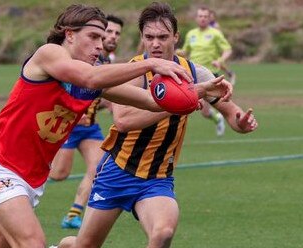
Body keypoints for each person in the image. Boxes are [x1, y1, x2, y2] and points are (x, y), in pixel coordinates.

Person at [0, 4, 230, 248]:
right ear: (70, 34)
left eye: (102, 38)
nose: (100, 45)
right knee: (31, 243)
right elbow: (89, 77)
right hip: (1, 167)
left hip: (32, 178)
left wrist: (198, 91)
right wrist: (151, 62)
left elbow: (151, 102)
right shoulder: (50, 54)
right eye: (93, 36)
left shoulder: (95, 75)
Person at [56, 2, 257, 248]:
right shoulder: (132, 71)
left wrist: (241, 122)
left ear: (176, 37)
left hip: (157, 177)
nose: (156, 44)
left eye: (162, 37)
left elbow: (231, 112)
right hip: (117, 172)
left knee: (162, 233)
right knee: (83, 246)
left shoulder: (195, 74)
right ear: (142, 38)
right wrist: (178, 104)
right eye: (149, 37)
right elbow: (124, 120)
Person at [48, 14, 124, 230]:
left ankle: (73, 214)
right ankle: (23, 179)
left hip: (89, 127)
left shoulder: (107, 62)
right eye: (108, 32)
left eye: (116, 33)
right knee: (59, 174)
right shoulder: (80, 58)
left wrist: (109, 104)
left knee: (99, 167)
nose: (112, 37)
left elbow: (101, 93)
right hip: (68, 127)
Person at [178, 6, 236, 136]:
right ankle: (218, 119)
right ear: (196, 18)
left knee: (218, 106)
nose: (203, 18)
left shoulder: (215, 34)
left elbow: (228, 49)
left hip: (211, 76)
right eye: (200, 16)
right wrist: (176, 52)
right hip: (193, 74)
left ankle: (230, 118)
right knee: (203, 112)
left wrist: (220, 60)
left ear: (209, 18)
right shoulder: (191, 34)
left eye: (205, 16)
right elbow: (185, 51)